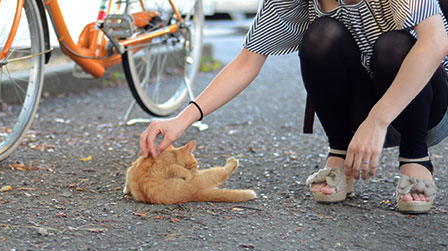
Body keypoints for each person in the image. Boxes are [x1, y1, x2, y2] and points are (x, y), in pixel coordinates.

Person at [140, 0, 448, 213]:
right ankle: (339, 155)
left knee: (394, 45)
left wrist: (378, 120)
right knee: (320, 35)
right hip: (360, 113)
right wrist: (183, 119)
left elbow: (435, 42)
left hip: (422, 105)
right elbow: (247, 62)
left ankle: (415, 158)